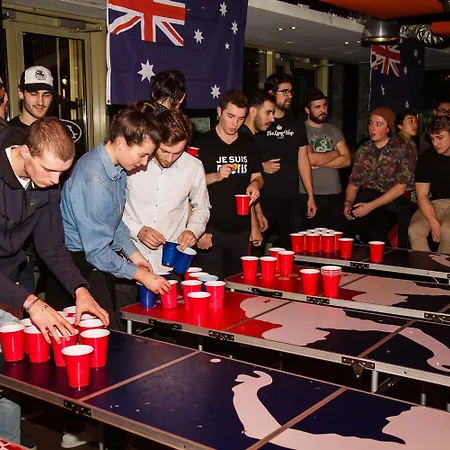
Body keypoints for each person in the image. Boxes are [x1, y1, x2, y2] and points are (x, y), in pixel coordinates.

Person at [0, 116, 108, 447]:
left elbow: (52, 247)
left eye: (63, 172)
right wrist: (31, 303)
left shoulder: (47, 183)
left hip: (9, 281)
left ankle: (11, 444)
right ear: (25, 152)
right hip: (13, 290)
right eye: (49, 170)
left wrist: (80, 289)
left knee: (8, 377)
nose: (55, 180)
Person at [46, 102, 171, 330]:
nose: (144, 164)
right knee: (100, 332)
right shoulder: (94, 180)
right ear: (122, 142)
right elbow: (97, 252)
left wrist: (133, 254)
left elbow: (113, 219)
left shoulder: (117, 166)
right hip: (75, 263)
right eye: (142, 155)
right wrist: (141, 276)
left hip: (92, 260)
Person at [123, 107, 210, 273]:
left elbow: (202, 208)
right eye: (164, 151)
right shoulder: (133, 162)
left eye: (177, 153)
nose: (169, 159)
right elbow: (114, 209)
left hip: (170, 263)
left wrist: (192, 230)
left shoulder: (193, 167)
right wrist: (138, 231)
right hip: (129, 259)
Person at [196, 90, 263, 279]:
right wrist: (216, 176)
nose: (235, 124)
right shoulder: (203, 143)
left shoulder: (248, 143)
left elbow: (258, 177)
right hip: (211, 226)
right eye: (231, 116)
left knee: (237, 284)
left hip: (240, 228)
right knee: (210, 285)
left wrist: (256, 185)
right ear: (219, 112)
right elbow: (191, 186)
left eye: (241, 119)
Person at [255, 73, 316, 251]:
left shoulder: (297, 122)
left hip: (291, 198)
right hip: (264, 197)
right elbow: (246, 156)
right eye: (285, 92)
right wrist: (261, 166)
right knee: (257, 248)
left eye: (291, 92)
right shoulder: (259, 122)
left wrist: (310, 196)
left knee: (291, 251)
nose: (290, 96)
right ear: (271, 93)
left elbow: (303, 159)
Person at [342, 107, 416, 246]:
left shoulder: (402, 149)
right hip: (367, 197)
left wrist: (370, 206)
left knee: (375, 227)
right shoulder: (364, 149)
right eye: (370, 123)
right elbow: (354, 183)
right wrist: (348, 202)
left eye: (378, 124)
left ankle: (387, 253)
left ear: (388, 128)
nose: (372, 128)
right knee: (344, 226)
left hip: (391, 200)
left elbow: (400, 188)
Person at [301, 87, 351, 229]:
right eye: (317, 107)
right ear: (307, 110)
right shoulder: (302, 130)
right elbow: (310, 159)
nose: (323, 110)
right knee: (311, 236)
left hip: (334, 193)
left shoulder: (333, 130)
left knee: (334, 236)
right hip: (310, 193)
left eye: (324, 106)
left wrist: (319, 160)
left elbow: (347, 160)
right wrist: (335, 153)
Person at [409, 116, 450, 253]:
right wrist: (433, 222)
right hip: (435, 204)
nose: (435, 143)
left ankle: (442, 266)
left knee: (448, 231)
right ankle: (424, 265)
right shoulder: (427, 157)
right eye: (432, 139)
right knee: (415, 229)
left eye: (440, 137)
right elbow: (422, 195)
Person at [241, 90, 275, 249]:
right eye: (268, 113)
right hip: (239, 221)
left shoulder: (251, 139)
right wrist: (254, 225)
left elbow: (252, 183)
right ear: (253, 111)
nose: (272, 119)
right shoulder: (243, 139)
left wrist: (259, 212)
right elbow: (243, 187)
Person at [9, 66, 54, 131]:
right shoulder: (7, 133)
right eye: (34, 94)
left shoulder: (59, 131)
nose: (40, 102)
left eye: (46, 95)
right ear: (21, 93)